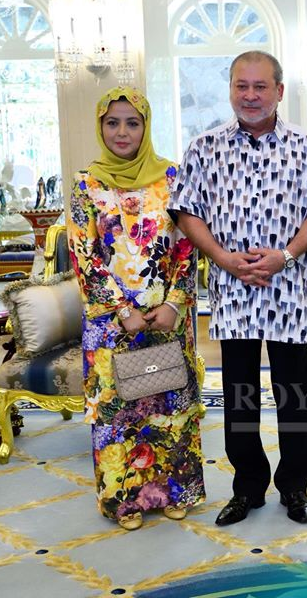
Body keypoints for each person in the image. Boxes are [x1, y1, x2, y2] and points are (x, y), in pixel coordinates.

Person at [170, 51, 307, 527]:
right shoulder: (204, 148)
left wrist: (285, 254)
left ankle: (295, 486)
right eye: (241, 86)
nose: (250, 95)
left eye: (260, 86)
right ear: (230, 89)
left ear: (279, 91)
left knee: (293, 394)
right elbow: (186, 211)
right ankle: (247, 487)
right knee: (239, 395)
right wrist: (222, 258)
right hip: (233, 290)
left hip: (288, 288)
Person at [69, 87, 205, 531]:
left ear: (146, 127)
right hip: (111, 323)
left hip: (166, 317)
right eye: (112, 123)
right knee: (118, 411)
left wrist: (174, 303)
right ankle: (124, 501)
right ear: (100, 127)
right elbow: (84, 254)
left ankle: (173, 491)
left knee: (169, 404)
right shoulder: (86, 184)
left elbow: (187, 245)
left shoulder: (172, 177)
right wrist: (120, 310)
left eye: (132, 122)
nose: (122, 132)